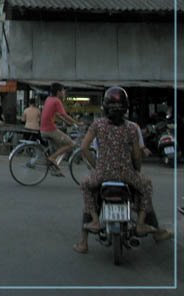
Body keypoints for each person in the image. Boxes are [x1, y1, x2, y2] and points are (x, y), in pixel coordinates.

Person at [74, 86, 173, 254]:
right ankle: (141, 224)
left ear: (105, 107)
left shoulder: (97, 125)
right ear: (126, 108)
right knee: (146, 186)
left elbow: (83, 148)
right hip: (126, 174)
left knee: (86, 186)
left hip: (102, 174)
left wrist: (96, 166)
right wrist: (137, 171)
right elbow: (136, 155)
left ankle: (91, 229)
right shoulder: (132, 128)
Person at [40, 83, 78, 175]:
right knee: (71, 144)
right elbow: (64, 114)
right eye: (63, 90)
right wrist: (76, 122)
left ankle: (54, 169)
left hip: (43, 129)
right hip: (50, 130)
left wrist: (67, 122)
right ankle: (52, 158)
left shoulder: (49, 99)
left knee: (61, 148)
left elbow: (57, 114)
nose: (64, 92)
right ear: (58, 92)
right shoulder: (57, 101)